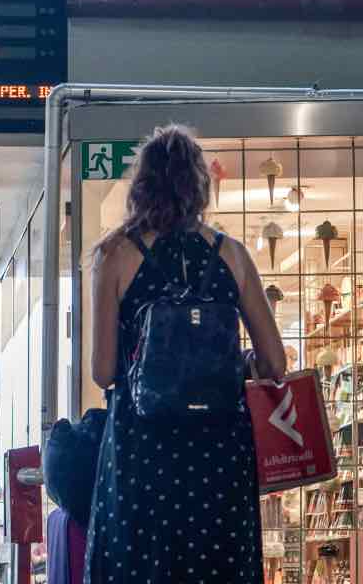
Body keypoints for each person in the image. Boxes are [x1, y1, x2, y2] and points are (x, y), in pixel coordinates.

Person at [86, 125, 286, 584]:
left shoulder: (116, 254)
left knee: (141, 563)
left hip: (143, 447)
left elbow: (102, 372)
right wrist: (238, 367)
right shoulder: (232, 255)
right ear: (201, 186)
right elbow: (274, 364)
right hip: (218, 450)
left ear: (142, 186)